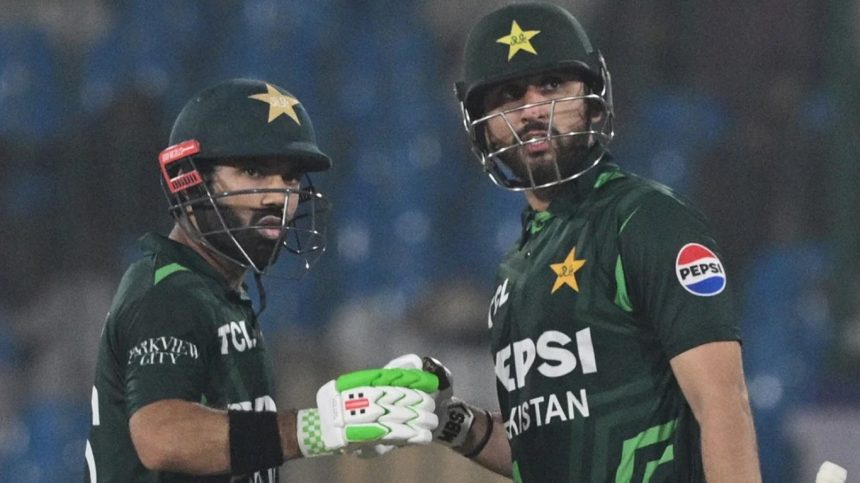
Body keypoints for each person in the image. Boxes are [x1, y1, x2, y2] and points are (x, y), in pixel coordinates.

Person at [387, 3, 762, 482]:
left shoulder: (646, 220)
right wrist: (454, 423)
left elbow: (724, 404)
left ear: (591, 96)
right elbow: (546, 451)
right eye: (506, 96)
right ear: (479, 124)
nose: (531, 111)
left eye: (551, 86)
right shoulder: (515, 270)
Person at [83, 78, 439, 482]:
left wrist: (346, 419)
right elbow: (163, 437)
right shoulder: (168, 293)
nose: (277, 196)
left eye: (289, 178)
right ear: (190, 179)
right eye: (252, 170)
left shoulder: (220, 293)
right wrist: (318, 427)